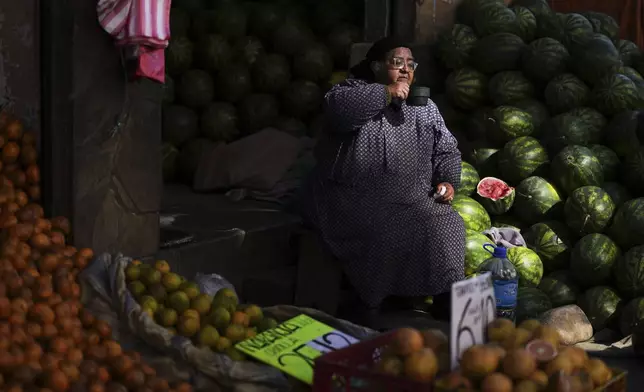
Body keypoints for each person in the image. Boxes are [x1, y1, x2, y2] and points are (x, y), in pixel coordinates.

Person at [300, 36, 465, 321]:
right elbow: (339, 113)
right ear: (376, 66)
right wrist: (386, 93)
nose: (405, 70)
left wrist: (448, 181)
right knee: (386, 227)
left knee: (448, 223)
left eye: (410, 65)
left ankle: (444, 298)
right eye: (397, 63)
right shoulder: (349, 92)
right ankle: (369, 304)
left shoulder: (424, 108)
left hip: (411, 199)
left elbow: (447, 149)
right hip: (349, 199)